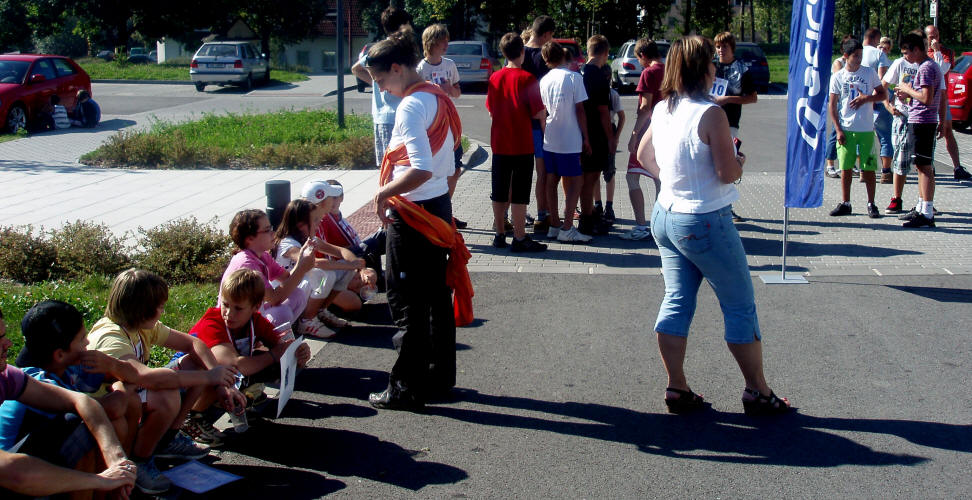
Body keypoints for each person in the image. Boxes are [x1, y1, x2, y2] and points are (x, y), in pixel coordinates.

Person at [638, 35, 791, 416]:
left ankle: (677, 385)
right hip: (705, 218)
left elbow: (642, 154)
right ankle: (757, 390)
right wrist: (739, 162)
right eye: (711, 63)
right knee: (739, 305)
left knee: (677, 299)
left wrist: (671, 180)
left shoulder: (664, 107)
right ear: (704, 69)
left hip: (666, 213)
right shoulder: (711, 114)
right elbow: (726, 173)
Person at [365, 28, 470, 410]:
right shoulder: (438, 96)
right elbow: (450, 156)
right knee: (436, 296)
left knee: (407, 299)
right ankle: (438, 376)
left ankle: (405, 387)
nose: (381, 89)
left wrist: (382, 193)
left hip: (413, 213)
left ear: (397, 68)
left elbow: (420, 168)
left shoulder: (410, 106)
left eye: (380, 80)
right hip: (438, 206)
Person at [87, 269, 244, 494]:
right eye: (159, 307)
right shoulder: (111, 338)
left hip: (130, 395)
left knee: (197, 363)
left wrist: (220, 382)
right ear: (141, 309)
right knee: (166, 395)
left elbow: (194, 343)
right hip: (107, 407)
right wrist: (210, 377)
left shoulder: (137, 325)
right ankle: (140, 460)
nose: (162, 311)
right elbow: (146, 378)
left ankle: (168, 437)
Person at [0, 307, 137, 499]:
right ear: (59, 355)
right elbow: (15, 473)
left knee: (89, 420)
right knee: (81, 425)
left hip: (25, 468)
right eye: (0, 339)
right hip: (14, 478)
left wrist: (117, 460)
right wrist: (101, 480)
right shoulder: (39, 376)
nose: (8, 343)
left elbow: (82, 401)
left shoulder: (7, 376)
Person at [189, 269, 311, 421]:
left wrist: (298, 352)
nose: (229, 313)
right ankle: (193, 417)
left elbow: (284, 346)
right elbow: (236, 365)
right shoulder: (212, 323)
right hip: (187, 379)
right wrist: (275, 354)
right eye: (225, 305)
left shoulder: (256, 320)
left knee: (272, 364)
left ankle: (244, 397)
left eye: (238, 308)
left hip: (217, 376)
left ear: (255, 306)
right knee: (228, 373)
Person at [485, 32, 548, 252]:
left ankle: (500, 233)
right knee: (520, 192)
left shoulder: (494, 78)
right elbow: (538, 112)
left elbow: (491, 111)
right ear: (522, 52)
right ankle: (520, 237)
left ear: (503, 53)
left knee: (499, 189)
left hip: (500, 142)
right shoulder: (528, 78)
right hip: (522, 143)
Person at [275, 184, 367, 333]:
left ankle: (320, 311)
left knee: (341, 271)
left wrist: (357, 265)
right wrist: (351, 265)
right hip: (291, 291)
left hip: (307, 287)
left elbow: (340, 250)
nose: (319, 224)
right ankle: (306, 321)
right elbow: (314, 263)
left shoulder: (311, 239)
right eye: (316, 220)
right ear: (301, 225)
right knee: (325, 275)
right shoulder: (288, 244)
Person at [222, 208, 320, 335]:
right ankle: (267, 342)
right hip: (236, 322)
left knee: (297, 295)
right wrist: (301, 269)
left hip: (250, 313)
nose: (273, 233)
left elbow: (287, 278)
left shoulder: (262, 255)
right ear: (250, 238)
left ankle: (278, 337)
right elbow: (275, 298)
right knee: (282, 313)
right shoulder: (247, 264)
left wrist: (301, 260)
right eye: (267, 230)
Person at [827, 38, 887, 219]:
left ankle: (871, 203)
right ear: (846, 56)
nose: (859, 59)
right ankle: (846, 202)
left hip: (866, 128)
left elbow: (882, 94)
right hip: (847, 128)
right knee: (846, 167)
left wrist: (867, 98)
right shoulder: (838, 77)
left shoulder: (869, 73)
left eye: (861, 55)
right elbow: (832, 105)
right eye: (855, 56)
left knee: (868, 167)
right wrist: (838, 129)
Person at [539, 40, 592, 243]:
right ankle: (567, 227)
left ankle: (554, 224)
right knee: (576, 180)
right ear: (562, 55)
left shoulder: (544, 80)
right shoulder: (573, 77)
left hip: (550, 136)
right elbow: (580, 110)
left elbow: (544, 111)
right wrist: (586, 137)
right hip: (570, 137)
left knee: (551, 179)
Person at [895, 32, 945, 227]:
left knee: (924, 167)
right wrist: (906, 95)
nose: (905, 57)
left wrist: (907, 89)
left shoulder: (926, 68)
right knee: (921, 166)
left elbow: (927, 98)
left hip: (923, 122)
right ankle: (922, 207)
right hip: (921, 120)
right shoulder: (926, 66)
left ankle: (927, 212)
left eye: (906, 53)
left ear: (916, 49)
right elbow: (922, 96)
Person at [417, 23, 467, 221]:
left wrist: (448, 89)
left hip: (449, 123)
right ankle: (433, 213)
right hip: (431, 125)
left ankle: (446, 211)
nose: (446, 44)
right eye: (442, 41)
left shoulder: (449, 65)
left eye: (447, 40)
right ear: (431, 42)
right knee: (433, 170)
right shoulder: (421, 68)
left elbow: (458, 93)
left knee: (455, 168)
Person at [621, 38, 664, 241]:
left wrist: (634, 134)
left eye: (638, 59)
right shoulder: (671, 70)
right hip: (667, 130)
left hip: (649, 131)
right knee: (660, 179)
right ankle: (660, 225)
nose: (639, 63)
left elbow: (645, 107)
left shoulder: (649, 73)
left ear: (643, 55)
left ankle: (641, 225)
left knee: (632, 177)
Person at [712, 32, 756, 222]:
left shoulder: (742, 69)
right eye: (718, 47)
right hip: (707, 120)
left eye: (724, 47)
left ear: (732, 48)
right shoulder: (710, 66)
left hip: (729, 122)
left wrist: (728, 99)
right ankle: (711, 206)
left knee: (726, 163)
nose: (721, 50)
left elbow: (752, 98)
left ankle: (727, 207)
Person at [521, 15, 557, 235]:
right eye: (551, 36)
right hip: (540, 122)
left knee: (519, 172)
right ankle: (542, 215)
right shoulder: (545, 57)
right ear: (546, 34)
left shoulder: (519, 53)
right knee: (542, 172)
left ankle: (516, 213)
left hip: (519, 122)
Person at [316, 179, 386, 293]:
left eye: (335, 197)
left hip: (348, 255)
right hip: (337, 263)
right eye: (329, 198)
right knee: (377, 240)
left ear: (341, 198)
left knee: (381, 237)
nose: (332, 202)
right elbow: (324, 256)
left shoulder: (337, 217)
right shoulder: (324, 219)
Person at [578, 34, 615, 237]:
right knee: (590, 178)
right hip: (595, 132)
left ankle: (588, 214)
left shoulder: (579, 72)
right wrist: (611, 138)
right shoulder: (599, 76)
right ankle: (586, 219)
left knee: (584, 177)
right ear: (606, 53)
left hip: (580, 130)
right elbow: (603, 111)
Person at [924, 25, 972, 181]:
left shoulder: (947, 52)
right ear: (926, 37)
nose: (935, 39)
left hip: (942, 98)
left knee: (947, 131)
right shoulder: (922, 53)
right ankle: (929, 166)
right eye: (931, 36)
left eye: (937, 35)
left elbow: (942, 69)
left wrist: (937, 51)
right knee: (929, 133)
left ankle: (957, 167)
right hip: (927, 98)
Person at [862, 28, 894, 184]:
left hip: (861, 100)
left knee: (864, 136)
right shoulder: (878, 54)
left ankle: (864, 170)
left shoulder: (856, 53)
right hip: (878, 100)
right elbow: (881, 79)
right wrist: (876, 97)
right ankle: (886, 172)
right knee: (885, 136)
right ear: (876, 39)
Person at [592, 80, 624, 224]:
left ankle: (609, 206)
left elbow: (622, 116)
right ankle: (598, 204)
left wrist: (616, 137)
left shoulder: (612, 94)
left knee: (609, 171)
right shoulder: (593, 91)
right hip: (596, 131)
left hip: (609, 130)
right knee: (595, 172)